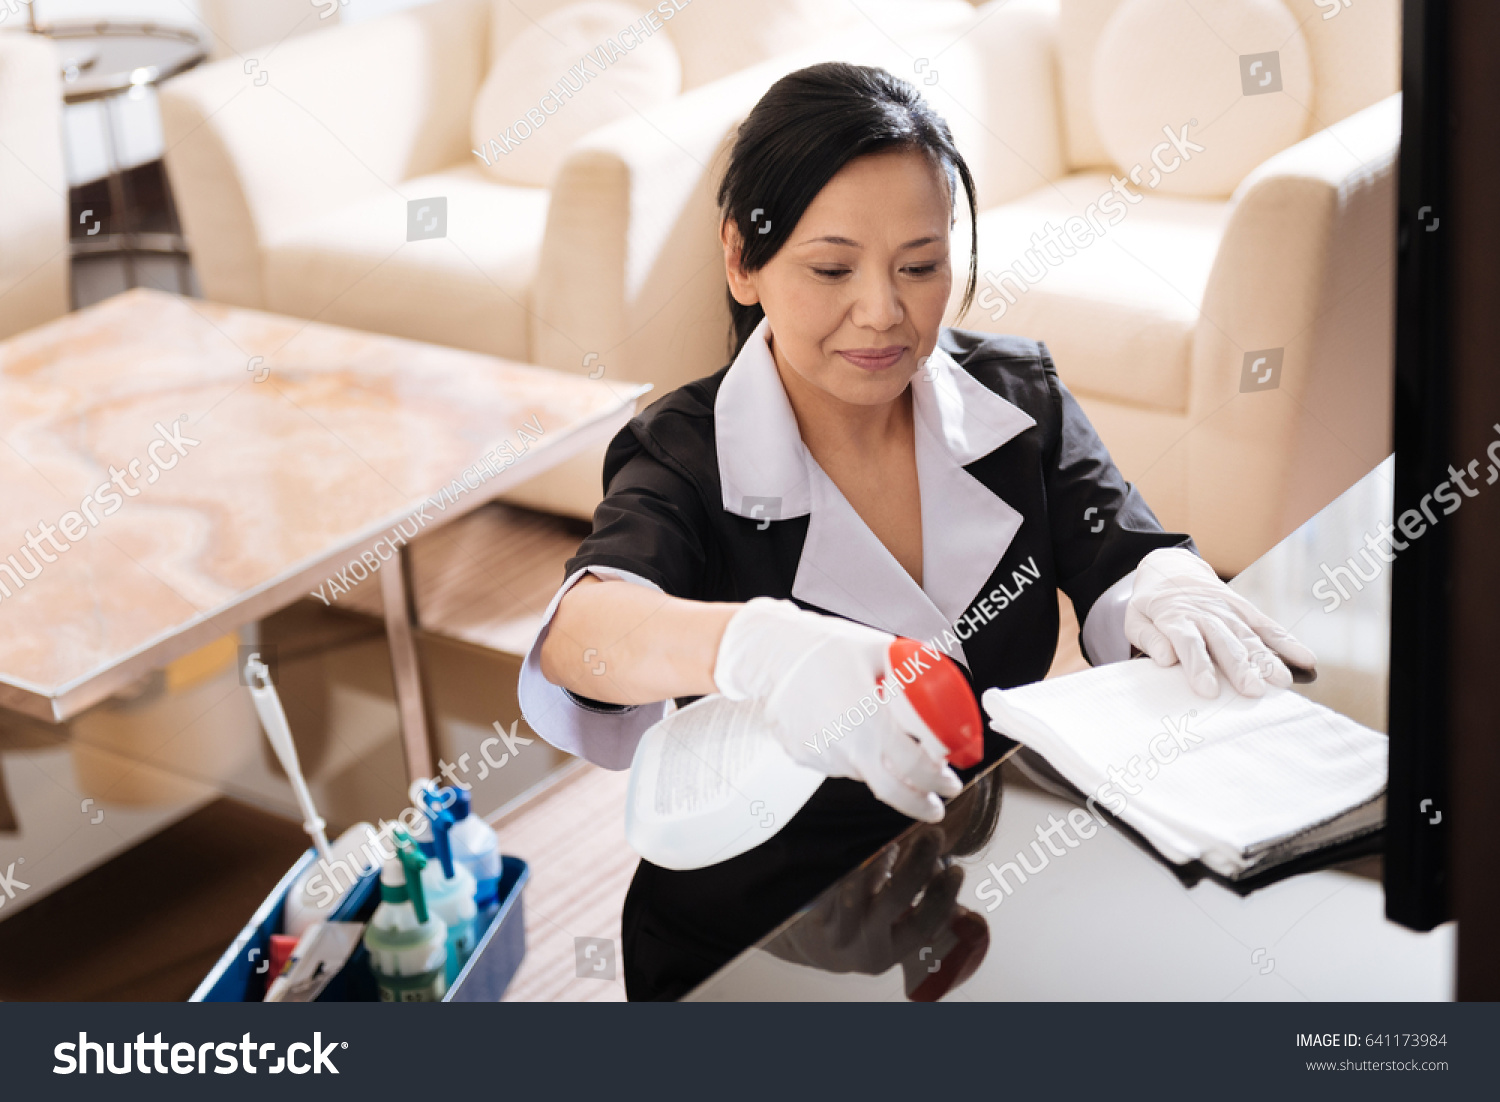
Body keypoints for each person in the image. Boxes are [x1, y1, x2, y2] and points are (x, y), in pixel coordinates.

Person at [518, 62, 1316, 1000]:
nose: (884, 312)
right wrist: (757, 645)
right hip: (755, 936)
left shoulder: (1018, 402)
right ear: (743, 259)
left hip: (971, 884)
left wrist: (1161, 588)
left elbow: (1121, 553)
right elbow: (584, 638)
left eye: (921, 265)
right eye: (831, 268)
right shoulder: (688, 453)